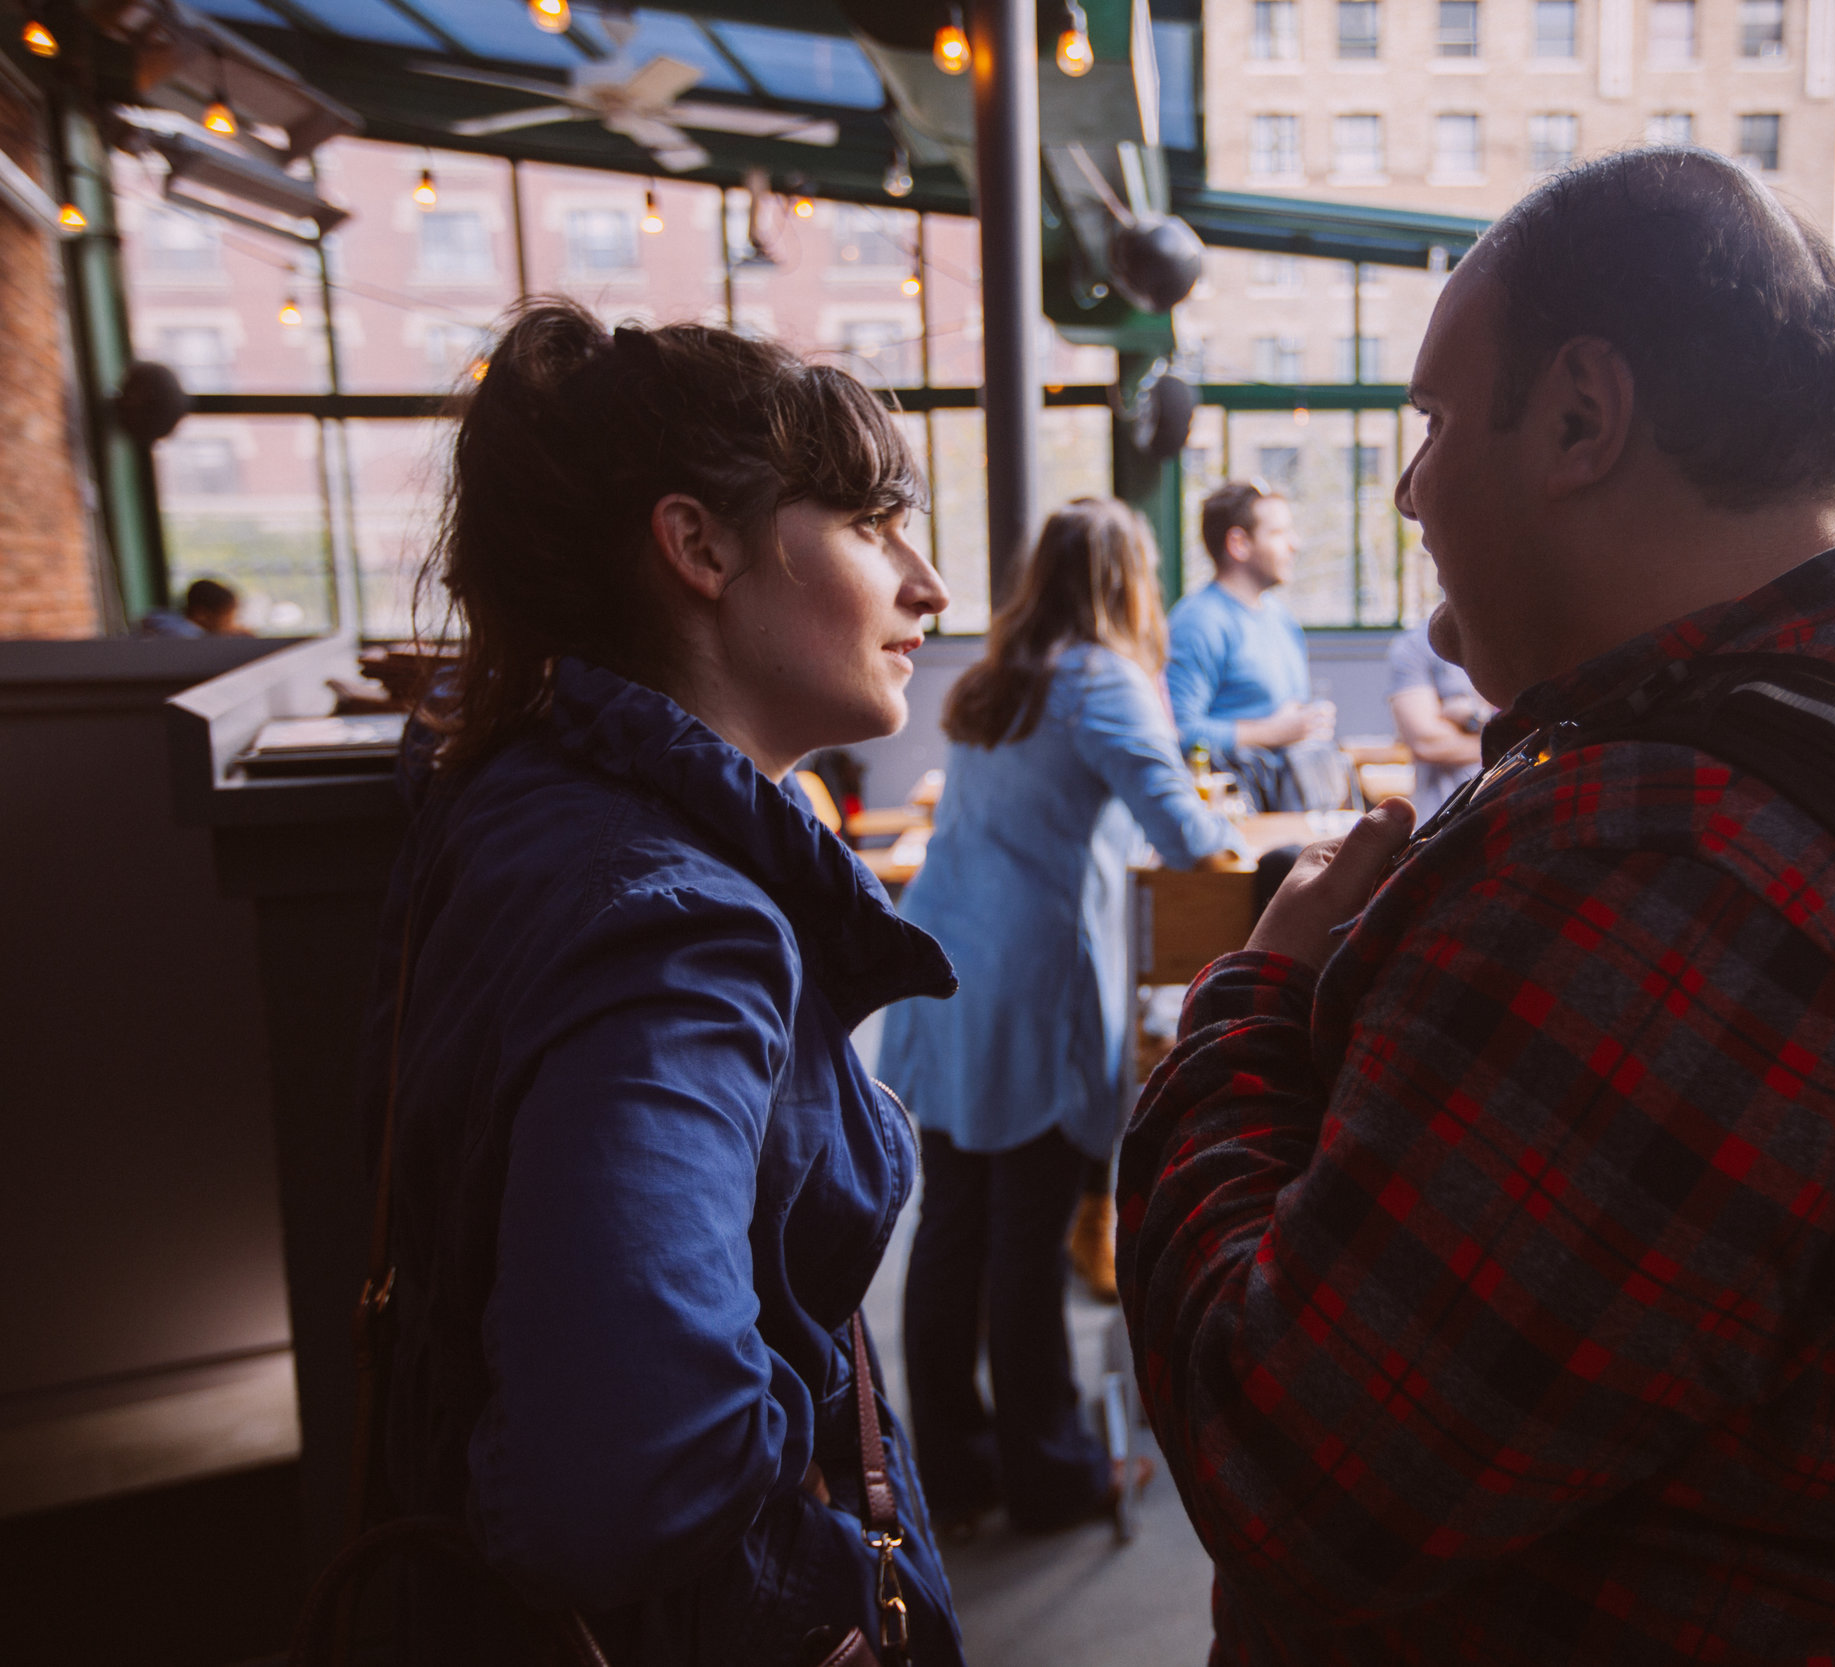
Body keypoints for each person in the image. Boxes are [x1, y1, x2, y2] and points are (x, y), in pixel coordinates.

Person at [1119, 148, 1835, 1663]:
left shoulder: (1678, 871)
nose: (1410, 485)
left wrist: (1254, 998)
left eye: (1431, 421)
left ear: (1580, 417)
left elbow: (1290, 1467)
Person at [359, 301, 965, 1663]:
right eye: (872, 523)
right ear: (696, 547)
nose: (928, 584)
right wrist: (805, 1525)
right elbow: (625, 1469)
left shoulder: (519, 803)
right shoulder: (673, 931)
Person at [877, 498, 1235, 1537]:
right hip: (1025, 981)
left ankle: (952, 1464)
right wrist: (1217, 811)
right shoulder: (1097, 677)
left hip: (945, 960)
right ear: (1127, 579)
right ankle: (1050, 1473)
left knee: (952, 1224)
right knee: (1025, 1235)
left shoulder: (1002, 676)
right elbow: (1183, 830)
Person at [1166, 481, 1333, 809]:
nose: (1295, 544)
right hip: (1235, 818)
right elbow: (1177, 731)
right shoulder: (1197, 622)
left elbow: (1286, 715)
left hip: (1288, 806)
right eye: (1278, 533)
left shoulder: (1281, 619)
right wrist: (1272, 731)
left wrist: (1304, 722)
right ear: (1239, 543)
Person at [1383, 623, 1488, 821]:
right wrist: (1505, 734)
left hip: (1510, 807)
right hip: (1440, 815)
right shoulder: (1415, 644)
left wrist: (1470, 717)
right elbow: (1427, 742)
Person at [139, 576, 249, 637]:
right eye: (227, 620)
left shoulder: (162, 621)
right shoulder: (181, 636)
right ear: (201, 615)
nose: (231, 626)